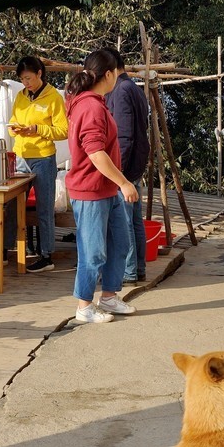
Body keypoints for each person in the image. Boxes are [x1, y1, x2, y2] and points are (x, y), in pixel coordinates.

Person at [64, 49, 139, 323]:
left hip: (106, 189)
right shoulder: (91, 107)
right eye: (116, 73)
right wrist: (124, 182)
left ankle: (108, 297)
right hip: (90, 191)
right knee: (92, 251)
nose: (117, 78)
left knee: (120, 243)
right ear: (108, 74)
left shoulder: (95, 102)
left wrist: (117, 184)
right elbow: (95, 153)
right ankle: (84, 306)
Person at [0, 56, 69, 272]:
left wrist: (37, 129)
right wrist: (15, 129)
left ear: (39, 73)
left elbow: (63, 131)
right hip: (21, 157)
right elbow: (12, 123)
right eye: (22, 79)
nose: (26, 83)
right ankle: (4, 251)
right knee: (11, 205)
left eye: (28, 78)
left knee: (45, 208)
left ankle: (46, 256)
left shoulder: (54, 97)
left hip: (44, 158)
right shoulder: (20, 96)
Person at [103, 49, 150, 284]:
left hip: (126, 165)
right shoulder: (134, 88)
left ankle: (129, 270)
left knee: (125, 221)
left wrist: (118, 174)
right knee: (134, 219)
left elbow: (124, 136)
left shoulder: (121, 90)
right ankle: (138, 268)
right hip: (136, 162)